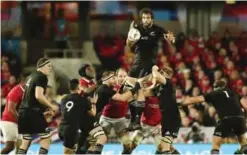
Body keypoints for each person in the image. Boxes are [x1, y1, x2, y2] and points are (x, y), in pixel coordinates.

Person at [125, 8, 175, 130]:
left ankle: (137, 120)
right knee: (129, 87)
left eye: (148, 18)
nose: (145, 20)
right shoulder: (137, 28)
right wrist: (130, 39)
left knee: (139, 86)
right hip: (137, 61)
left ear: (152, 19)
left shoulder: (157, 29)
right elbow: (129, 44)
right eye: (144, 18)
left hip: (149, 62)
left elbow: (169, 37)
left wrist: (171, 39)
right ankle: (132, 120)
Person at [183, 80, 247, 154]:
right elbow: (245, 105)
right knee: (243, 142)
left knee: (216, 145)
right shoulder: (234, 93)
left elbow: (194, 99)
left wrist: (178, 103)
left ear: (215, 87)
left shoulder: (213, 93)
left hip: (225, 120)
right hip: (240, 119)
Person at [17, 58, 58, 155]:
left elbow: (29, 97)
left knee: (25, 142)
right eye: (48, 66)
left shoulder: (30, 76)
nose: (50, 68)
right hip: (33, 113)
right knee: (46, 140)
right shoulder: (42, 76)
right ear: (42, 66)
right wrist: (51, 106)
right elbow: (38, 96)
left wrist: (44, 109)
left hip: (23, 112)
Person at [144, 65, 181, 154]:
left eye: (162, 73)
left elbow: (156, 76)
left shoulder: (169, 83)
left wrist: (153, 68)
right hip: (164, 119)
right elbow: (145, 93)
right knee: (164, 147)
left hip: (173, 118)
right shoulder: (158, 87)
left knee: (165, 146)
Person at [58, 79, 96, 154]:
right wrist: (93, 103)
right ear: (78, 87)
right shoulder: (82, 100)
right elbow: (93, 113)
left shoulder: (63, 99)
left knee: (72, 150)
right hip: (71, 129)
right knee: (68, 152)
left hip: (61, 128)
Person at [99, 68, 131, 154]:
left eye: (124, 76)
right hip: (106, 118)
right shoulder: (111, 86)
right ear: (115, 77)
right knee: (99, 142)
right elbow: (121, 96)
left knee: (127, 146)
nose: (122, 78)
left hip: (121, 120)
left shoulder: (128, 88)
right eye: (120, 76)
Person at [0, 75, 26, 154]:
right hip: (9, 121)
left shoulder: (25, 92)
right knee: (10, 147)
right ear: (24, 82)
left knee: (21, 147)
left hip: (16, 122)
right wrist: (20, 120)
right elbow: (11, 109)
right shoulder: (16, 91)